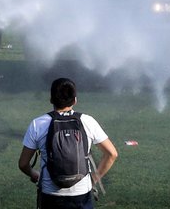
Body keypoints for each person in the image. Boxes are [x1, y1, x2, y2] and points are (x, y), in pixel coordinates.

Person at [18, 78, 118, 209]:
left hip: (50, 194)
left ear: (51, 99)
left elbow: (23, 164)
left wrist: (34, 174)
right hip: (82, 193)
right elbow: (112, 154)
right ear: (75, 100)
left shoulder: (38, 124)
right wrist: (94, 178)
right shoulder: (88, 121)